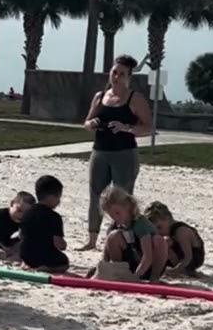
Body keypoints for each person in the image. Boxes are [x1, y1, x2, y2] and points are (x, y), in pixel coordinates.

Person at [79, 55, 154, 251]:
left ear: (129, 77)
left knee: (123, 198)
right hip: (100, 151)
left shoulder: (134, 98)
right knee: (95, 195)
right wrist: (92, 124)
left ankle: (123, 238)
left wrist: (126, 128)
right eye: (114, 72)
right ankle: (92, 240)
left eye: (122, 74)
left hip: (124, 153)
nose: (116, 77)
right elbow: (86, 122)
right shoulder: (99, 96)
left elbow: (148, 127)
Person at [100, 187, 167, 282]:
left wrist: (135, 277)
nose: (115, 217)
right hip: (129, 264)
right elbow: (106, 253)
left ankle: (154, 278)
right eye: (112, 215)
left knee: (159, 240)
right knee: (113, 236)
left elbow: (148, 257)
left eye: (117, 213)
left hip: (149, 266)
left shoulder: (140, 223)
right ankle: (119, 270)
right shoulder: (116, 225)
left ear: (127, 206)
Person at [18, 175, 69, 273]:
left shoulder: (27, 213)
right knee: (64, 263)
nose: (59, 202)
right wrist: (64, 245)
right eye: (58, 197)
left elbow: (20, 235)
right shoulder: (54, 217)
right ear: (50, 197)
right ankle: (47, 268)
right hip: (45, 256)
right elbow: (58, 243)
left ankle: (27, 264)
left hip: (26, 255)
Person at [145, 201, 206, 276]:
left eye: (160, 227)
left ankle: (184, 270)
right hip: (180, 253)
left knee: (165, 242)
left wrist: (176, 270)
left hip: (193, 257)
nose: (159, 232)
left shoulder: (181, 231)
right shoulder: (168, 229)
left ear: (169, 219)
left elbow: (188, 256)